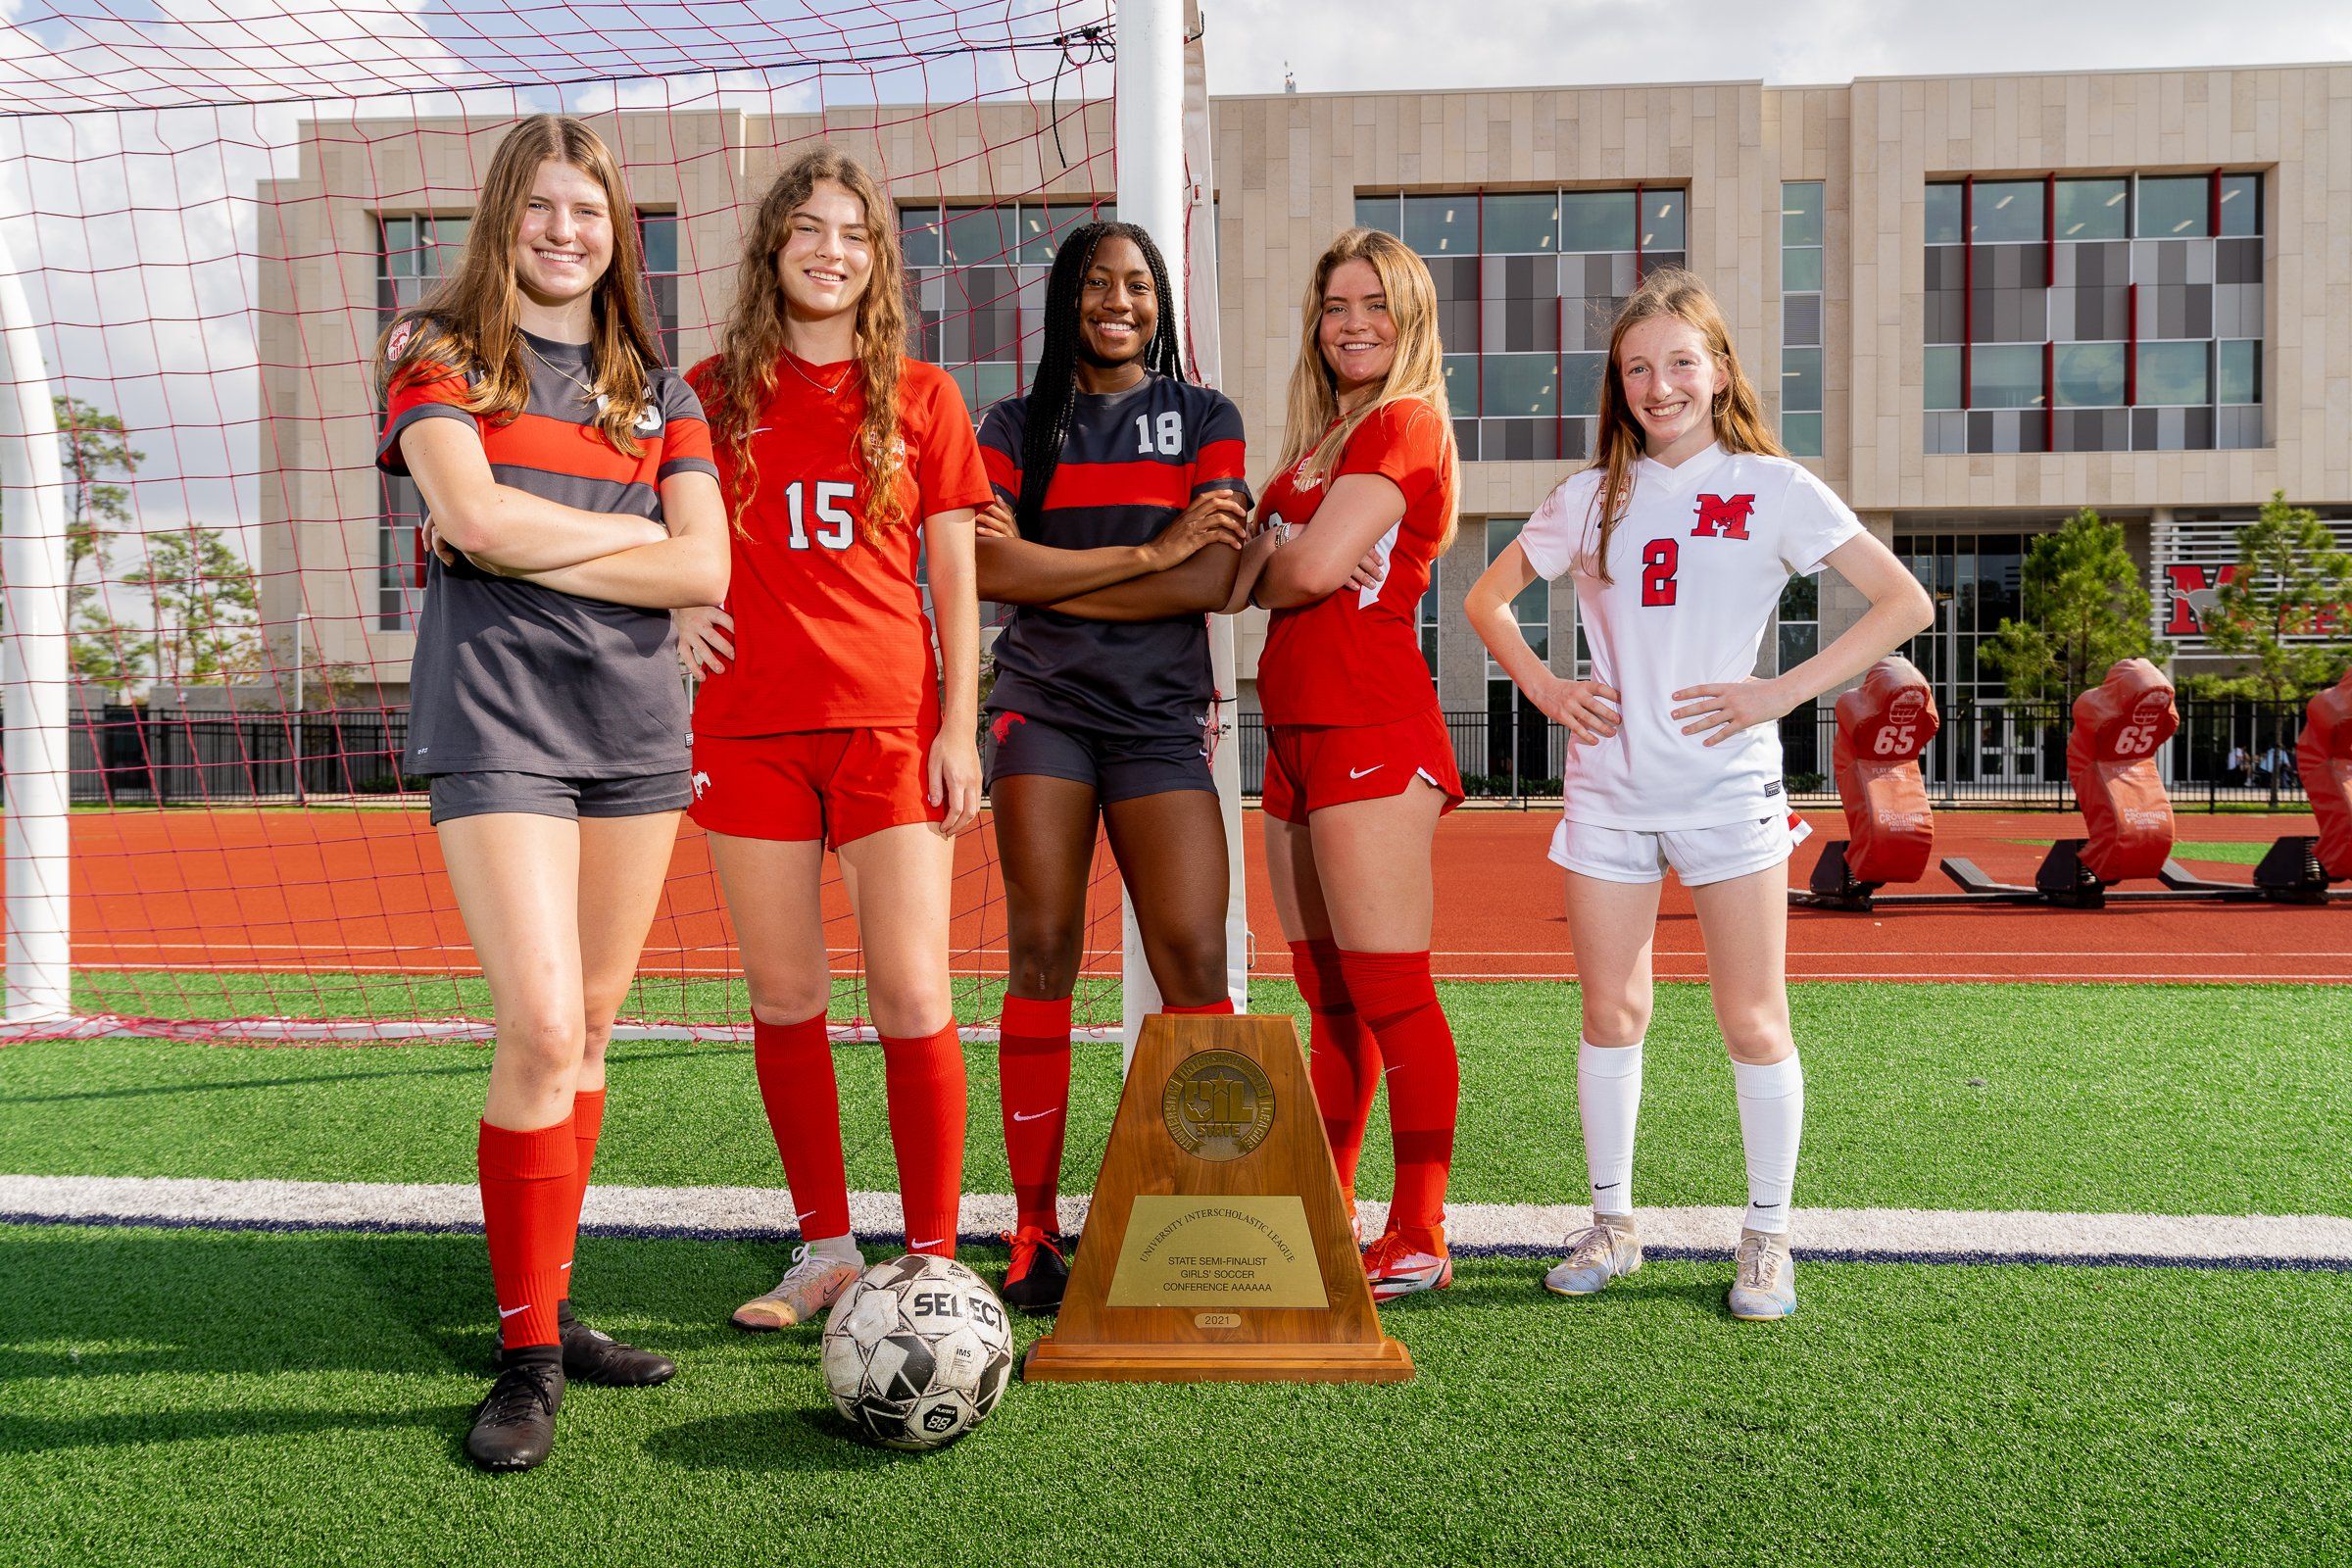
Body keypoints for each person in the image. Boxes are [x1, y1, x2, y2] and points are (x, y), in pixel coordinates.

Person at [1466, 268, 1933, 1320]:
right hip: (1609, 791)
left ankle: (1767, 1237)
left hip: (1729, 790)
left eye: (1680, 361)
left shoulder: (1775, 486)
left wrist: (1778, 690)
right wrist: (1544, 686)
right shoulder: (1589, 495)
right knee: (1610, 1008)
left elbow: (1905, 601)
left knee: (1752, 1016)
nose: (1658, 384)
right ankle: (1613, 1222)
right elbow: (1486, 598)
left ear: (1720, 371)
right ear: (1619, 384)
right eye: (1637, 367)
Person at [374, 113, 729, 1471]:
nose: (566, 232)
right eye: (542, 209)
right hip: (497, 719)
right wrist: (625, 537)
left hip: (635, 724)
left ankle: (554, 1302)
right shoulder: (440, 352)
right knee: (532, 1022)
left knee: (588, 1024)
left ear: (618, 228)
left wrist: (541, 546)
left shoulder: (664, 391)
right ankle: (524, 1361)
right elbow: (472, 515)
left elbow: (707, 572)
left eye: (589, 211)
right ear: (503, 220)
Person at [675, 147, 990, 1334]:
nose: (830, 249)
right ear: (774, 249)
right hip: (747, 725)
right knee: (786, 988)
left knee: (912, 988)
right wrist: (676, 604)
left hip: (889, 721)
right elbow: (652, 523)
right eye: (808, 228)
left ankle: (929, 1261)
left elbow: (955, 578)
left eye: (853, 233)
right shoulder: (706, 393)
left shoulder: (924, 397)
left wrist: (959, 724)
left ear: (878, 259)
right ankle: (822, 1252)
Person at [970, 220, 1251, 1313]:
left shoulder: (1205, 416)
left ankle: (1203, 1208)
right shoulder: (1014, 423)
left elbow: (1214, 579)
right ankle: (1034, 1228)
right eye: (1096, 283)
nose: (1118, 301)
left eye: (1137, 283)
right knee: (1041, 950)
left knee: (1194, 959)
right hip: (1041, 707)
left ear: (1162, 299)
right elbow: (989, 566)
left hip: (1157, 716)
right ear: (1065, 301)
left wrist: (1059, 574)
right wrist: (1148, 551)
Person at [1233, 226, 1468, 1302]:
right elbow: (1262, 573)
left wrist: (1264, 559)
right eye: (1335, 304)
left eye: (1375, 302)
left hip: (1370, 731)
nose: (1354, 321)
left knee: (1391, 993)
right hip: (1291, 737)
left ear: (1409, 317)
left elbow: (1307, 568)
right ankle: (1327, 1212)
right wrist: (1268, 561)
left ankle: (1418, 1229)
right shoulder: (1320, 442)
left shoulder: (1405, 424)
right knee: (1325, 994)